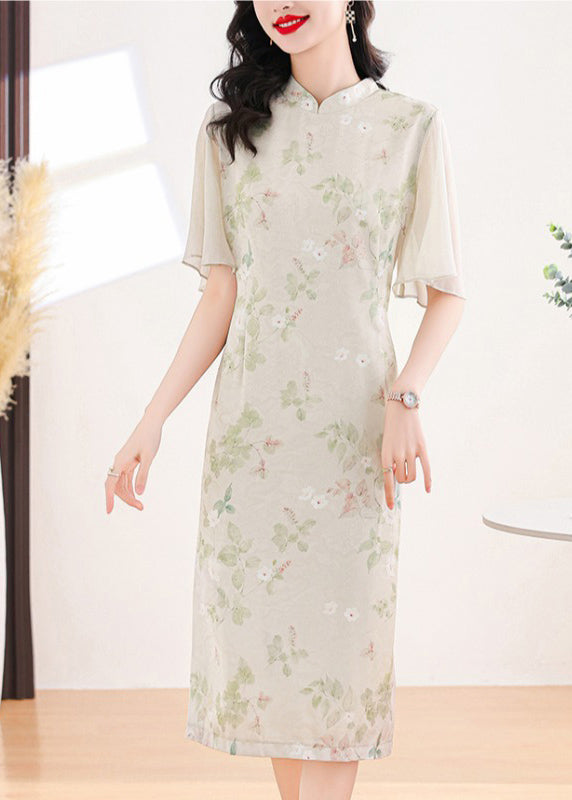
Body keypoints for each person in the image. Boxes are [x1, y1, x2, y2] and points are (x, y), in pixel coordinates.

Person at [105, 2, 466, 798]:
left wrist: (406, 396)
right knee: (274, 663)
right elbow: (220, 297)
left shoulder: (410, 125)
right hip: (253, 443)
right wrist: (151, 419)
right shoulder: (229, 132)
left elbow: (447, 294)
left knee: (341, 658)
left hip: (354, 438)